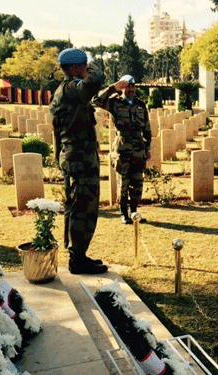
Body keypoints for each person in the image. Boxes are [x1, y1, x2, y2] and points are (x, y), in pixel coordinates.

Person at [50, 48, 108, 275]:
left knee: (77, 207)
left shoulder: (65, 91)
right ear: (75, 68)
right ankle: (77, 259)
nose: (87, 68)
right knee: (83, 208)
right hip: (80, 159)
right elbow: (95, 81)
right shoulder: (71, 89)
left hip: (76, 157)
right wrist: (93, 64)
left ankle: (78, 255)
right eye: (83, 64)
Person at [93, 75, 151, 224]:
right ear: (122, 88)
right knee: (123, 182)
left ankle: (135, 212)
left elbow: (147, 128)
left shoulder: (140, 104)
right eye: (127, 87)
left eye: (132, 87)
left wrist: (147, 148)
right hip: (122, 147)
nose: (130, 90)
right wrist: (112, 88)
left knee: (137, 182)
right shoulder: (114, 102)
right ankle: (124, 213)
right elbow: (96, 101)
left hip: (138, 148)